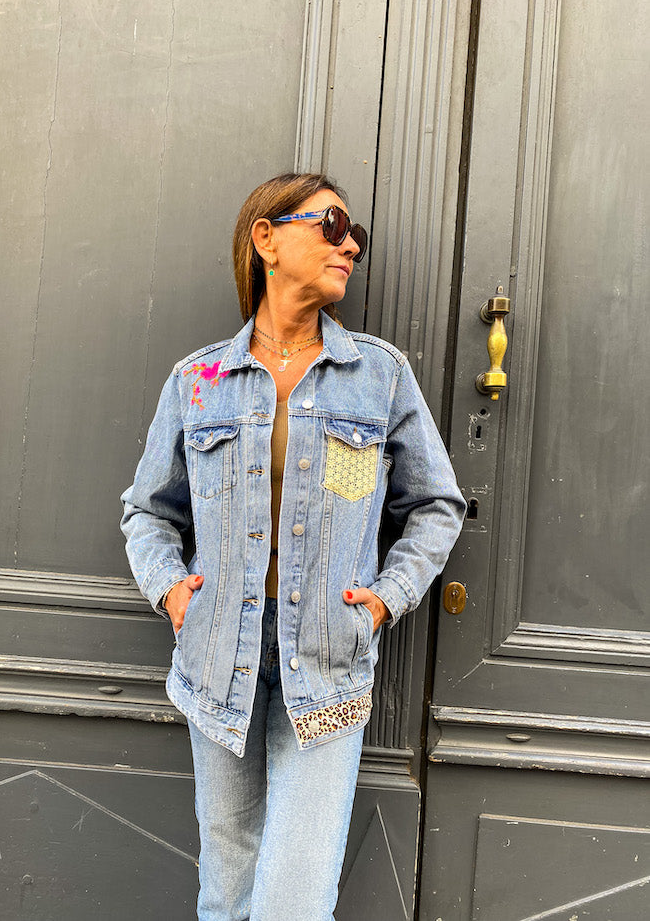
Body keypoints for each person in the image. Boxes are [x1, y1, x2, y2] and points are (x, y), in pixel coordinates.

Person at [120, 172, 465, 920]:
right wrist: (172, 590)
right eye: (332, 226)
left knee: (295, 902)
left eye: (355, 237)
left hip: (328, 659)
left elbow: (437, 504)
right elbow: (147, 511)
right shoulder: (199, 380)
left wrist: (386, 598)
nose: (351, 247)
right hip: (217, 655)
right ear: (266, 239)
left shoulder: (377, 375)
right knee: (228, 891)